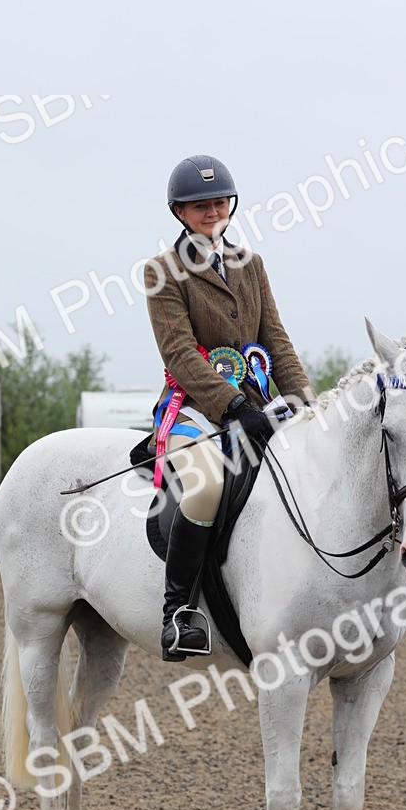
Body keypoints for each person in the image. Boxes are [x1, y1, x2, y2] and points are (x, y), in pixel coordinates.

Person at [144, 154, 311, 661]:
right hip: (195, 410)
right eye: (200, 206)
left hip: (259, 408)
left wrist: (305, 400)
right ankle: (178, 614)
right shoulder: (162, 272)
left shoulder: (250, 264)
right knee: (205, 487)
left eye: (219, 202)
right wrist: (232, 405)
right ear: (179, 211)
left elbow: (275, 340)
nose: (212, 211)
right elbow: (178, 353)